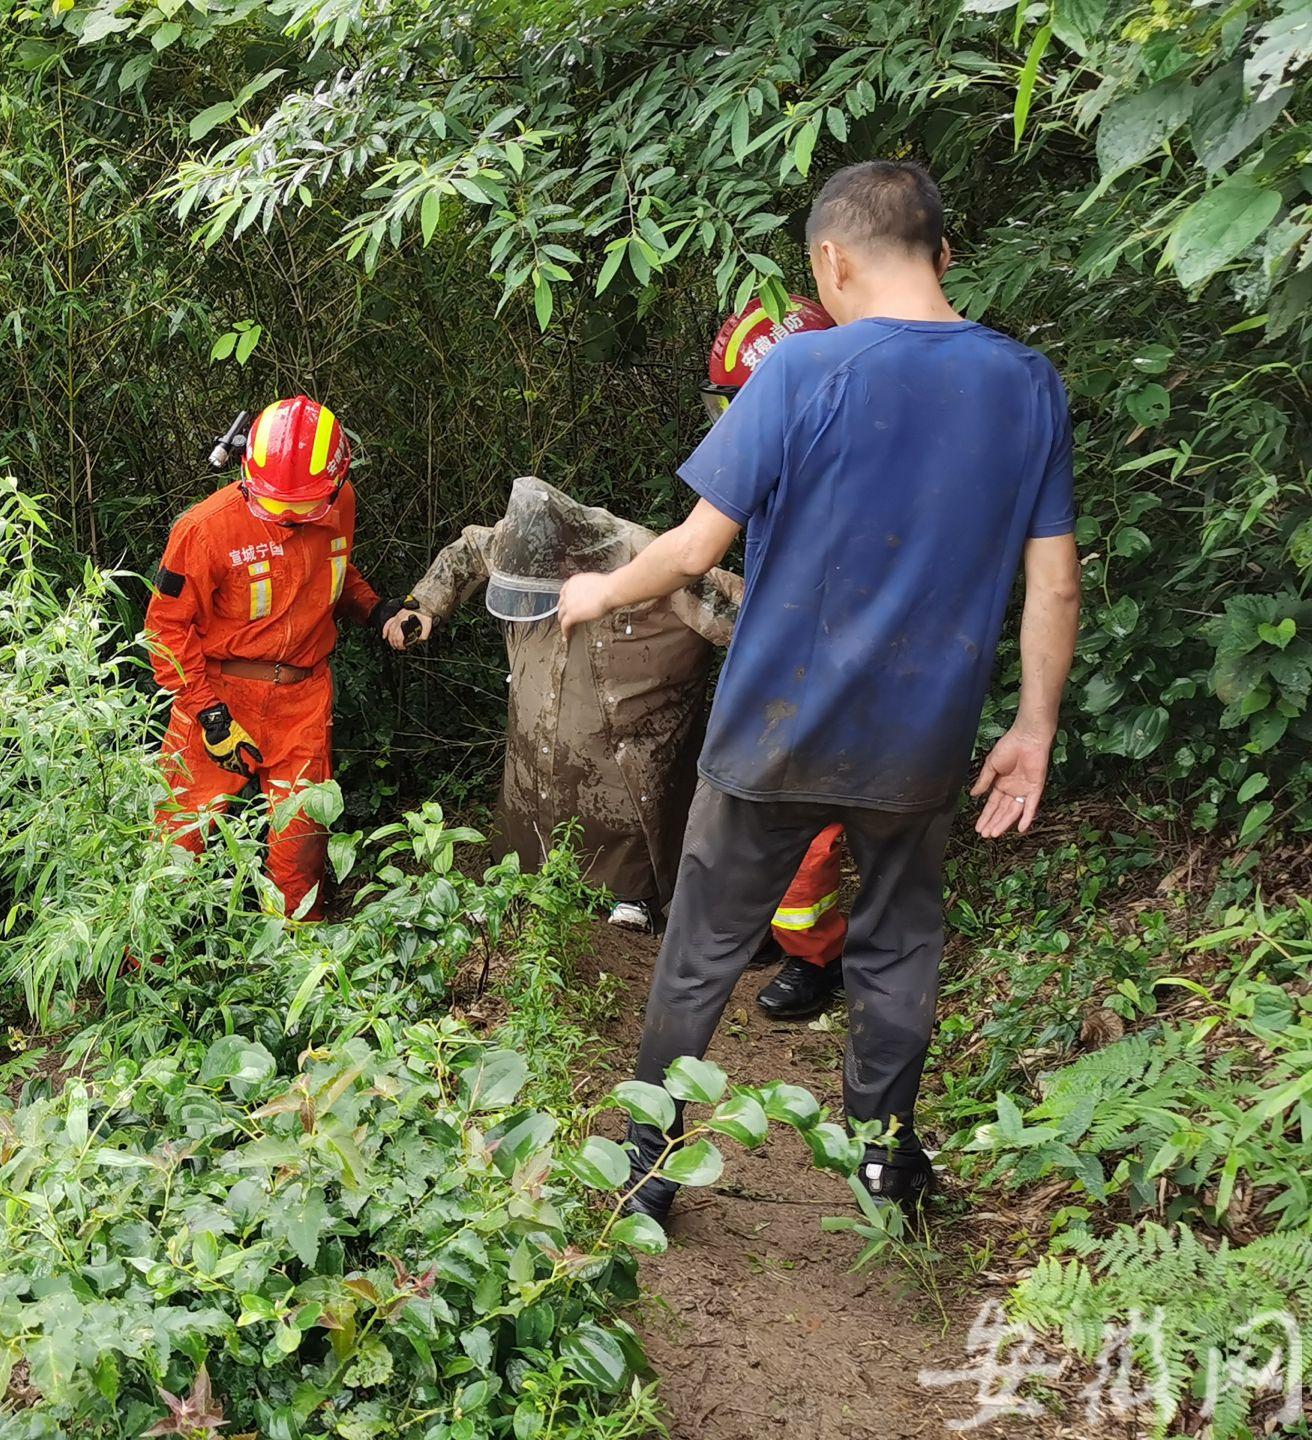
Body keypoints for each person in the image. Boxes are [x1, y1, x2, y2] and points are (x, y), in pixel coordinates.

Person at [558, 160, 1082, 1217]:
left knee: (700, 949)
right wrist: (1032, 728)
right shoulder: (1027, 384)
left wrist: (599, 587)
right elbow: (1055, 583)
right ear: (942, 252)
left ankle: (648, 1172)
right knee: (896, 950)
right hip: (920, 746)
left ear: (829, 260)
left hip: (773, 730)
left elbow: (699, 545)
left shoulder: (799, 375)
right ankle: (884, 1167)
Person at [382, 476, 740, 928]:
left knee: (627, 813)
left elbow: (747, 619)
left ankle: (634, 902)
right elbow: (471, 548)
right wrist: (423, 605)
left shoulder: (653, 562)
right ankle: (527, 882)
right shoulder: (519, 545)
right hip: (536, 749)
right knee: (531, 805)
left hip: (634, 748)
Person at [146, 395, 407, 918]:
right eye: (275, 504)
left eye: (303, 505)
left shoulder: (341, 506)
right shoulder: (204, 530)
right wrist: (208, 714)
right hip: (219, 695)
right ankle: (143, 973)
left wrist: (377, 611)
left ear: (336, 483)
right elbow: (164, 632)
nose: (289, 517)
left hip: (304, 701)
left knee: (301, 846)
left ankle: (296, 968)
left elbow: (333, 572)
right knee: (178, 841)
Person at [703, 295, 854, 1023]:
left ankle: (818, 957)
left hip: (824, 669)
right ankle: (770, 928)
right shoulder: (786, 472)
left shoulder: (844, 480)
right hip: (779, 656)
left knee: (803, 817)